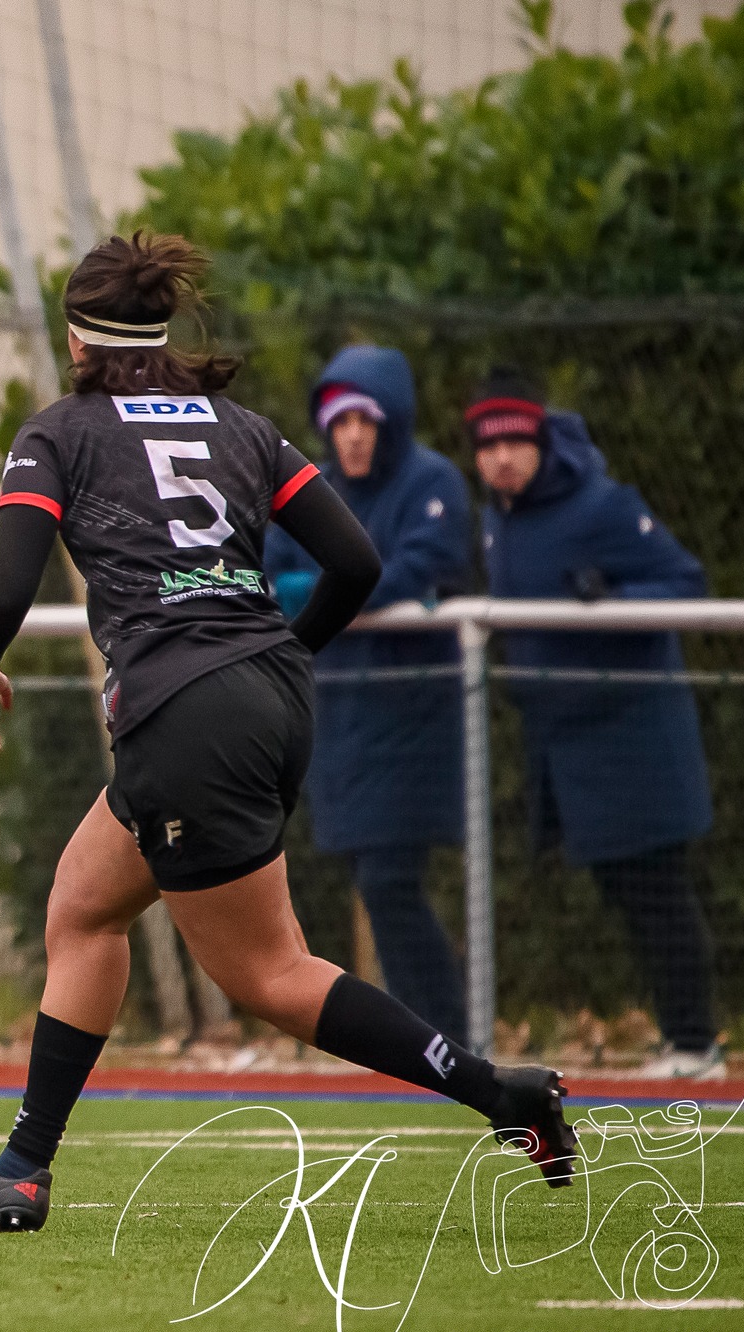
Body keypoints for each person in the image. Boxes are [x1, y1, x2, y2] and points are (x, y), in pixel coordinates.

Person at [0, 233, 576, 1234]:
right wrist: (276, 656)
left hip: (182, 712)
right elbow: (352, 562)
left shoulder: (57, 433)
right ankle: (21, 1168)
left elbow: (3, 584)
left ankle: (499, 1093)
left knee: (268, 972)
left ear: (76, 338)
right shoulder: (242, 428)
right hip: (262, 693)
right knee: (84, 905)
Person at [469, 369, 723, 1080]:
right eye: (489, 447)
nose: (503, 458)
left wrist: (611, 600)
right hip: (566, 746)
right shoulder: (497, 518)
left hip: (635, 738)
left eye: (517, 441)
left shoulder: (605, 505)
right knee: (626, 891)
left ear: (542, 442)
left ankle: (695, 1045)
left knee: (657, 890)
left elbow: (684, 581)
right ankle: (683, 1039)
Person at [265, 346, 473, 1043]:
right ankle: (434, 1040)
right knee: (377, 886)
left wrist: (321, 587)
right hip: (338, 719)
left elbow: (413, 568)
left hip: (414, 719)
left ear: (393, 421)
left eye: (365, 418)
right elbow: (270, 573)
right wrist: (325, 586)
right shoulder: (312, 482)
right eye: (339, 419)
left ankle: (450, 1037)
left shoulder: (433, 480)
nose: (351, 433)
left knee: (390, 882)